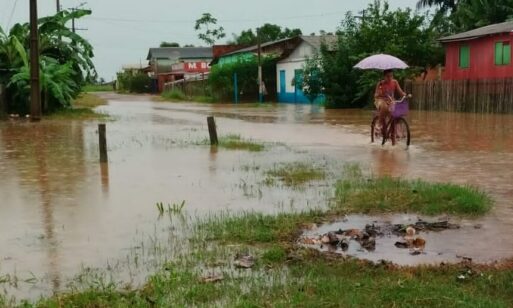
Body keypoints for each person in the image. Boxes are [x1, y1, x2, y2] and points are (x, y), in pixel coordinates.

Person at [374, 69, 406, 136]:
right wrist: (379, 93)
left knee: (397, 111)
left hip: (391, 100)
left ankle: (395, 130)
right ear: (384, 77)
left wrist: (405, 95)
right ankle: (379, 124)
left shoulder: (395, 82)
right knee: (384, 107)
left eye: (391, 76)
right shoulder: (380, 83)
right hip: (380, 100)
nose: (390, 78)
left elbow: (400, 91)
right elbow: (376, 95)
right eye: (388, 76)